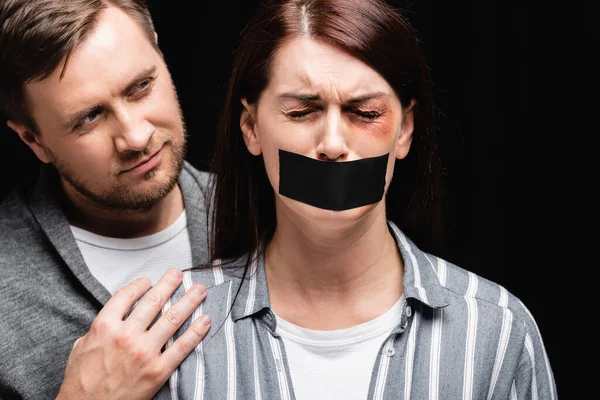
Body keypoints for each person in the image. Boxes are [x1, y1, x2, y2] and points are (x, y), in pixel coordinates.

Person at [163, 0, 558, 399]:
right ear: (251, 128)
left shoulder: (496, 331)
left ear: (404, 131)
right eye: (302, 112)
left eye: (366, 113)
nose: (333, 144)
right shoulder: (173, 332)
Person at [0, 1, 212, 398]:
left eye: (141, 87)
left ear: (159, 51)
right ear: (34, 139)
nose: (135, 137)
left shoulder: (275, 216)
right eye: (89, 117)